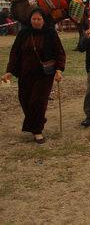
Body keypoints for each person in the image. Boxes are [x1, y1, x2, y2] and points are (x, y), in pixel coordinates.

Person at [2, 8, 65, 143]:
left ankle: (37, 131)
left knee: (37, 102)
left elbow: (59, 52)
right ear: (30, 20)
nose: (36, 22)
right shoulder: (23, 34)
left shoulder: (50, 33)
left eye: (39, 19)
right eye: (34, 19)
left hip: (44, 75)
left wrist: (59, 69)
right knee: (24, 99)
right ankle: (38, 121)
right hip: (25, 73)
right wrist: (9, 71)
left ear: (44, 20)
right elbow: (15, 53)